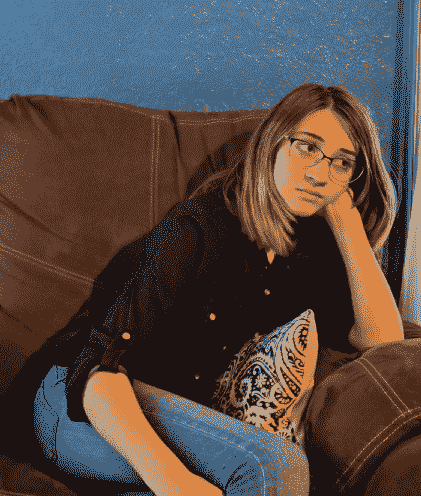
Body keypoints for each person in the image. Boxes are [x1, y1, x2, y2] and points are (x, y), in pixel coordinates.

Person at [31, 83, 404, 495]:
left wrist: (346, 222)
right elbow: (98, 371)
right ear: (272, 142)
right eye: (306, 147)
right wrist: (176, 483)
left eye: (342, 162)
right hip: (80, 401)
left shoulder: (309, 253)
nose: (319, 173)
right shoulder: (197, 230)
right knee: (273, 465)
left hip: (168, 409)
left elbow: (384, 343)